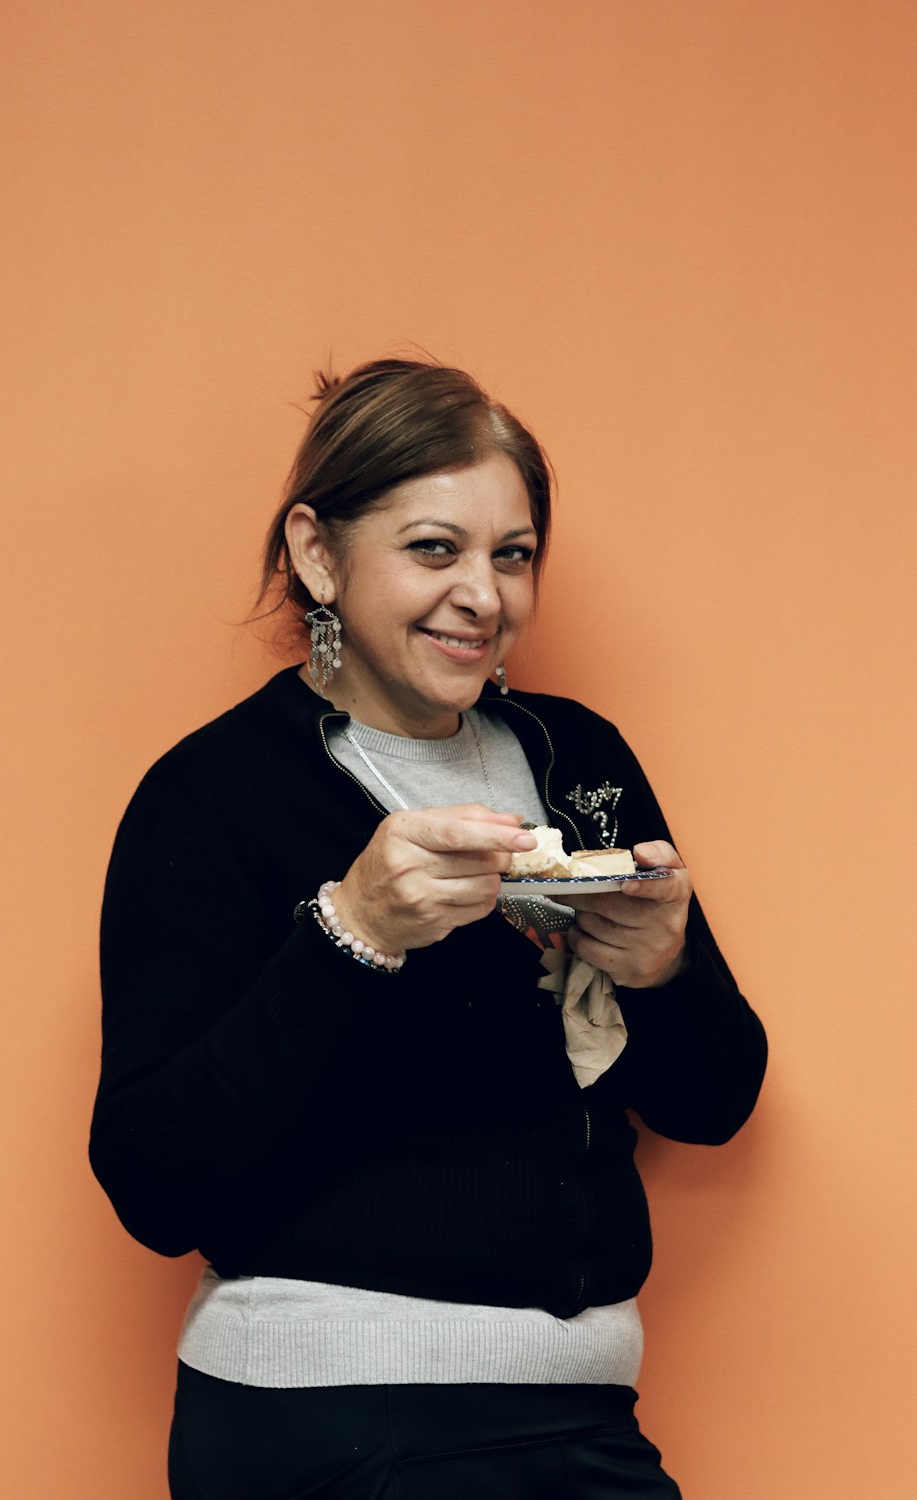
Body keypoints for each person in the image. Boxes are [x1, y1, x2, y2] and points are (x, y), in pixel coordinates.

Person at [90, 358, 767, 1499]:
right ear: (317, 553)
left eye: (512, 554)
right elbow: (153, 1184)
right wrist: (351, 932)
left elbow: (714, 1104)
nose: (483, 596)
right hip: (327, 1424)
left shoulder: (580, 759)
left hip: (584, 1417)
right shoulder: (212, 795)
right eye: (432, 549)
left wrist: (664, 972)